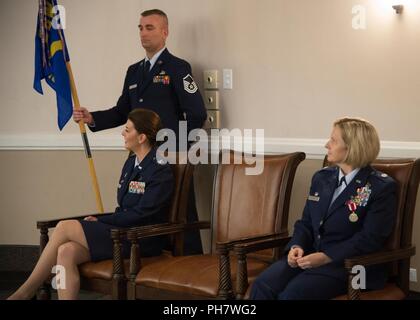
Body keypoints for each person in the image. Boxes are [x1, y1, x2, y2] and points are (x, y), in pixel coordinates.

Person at [73, 8, 207, 255]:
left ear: (165, 32)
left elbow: (197, 114)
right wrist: (93, 118)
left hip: (170, 156)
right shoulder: (134, 71)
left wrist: (171, 147)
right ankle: (146, 260)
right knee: (141, 210)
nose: (144, 33)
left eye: (150, 27)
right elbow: (123, 110)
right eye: (141, 28)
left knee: (181, 213)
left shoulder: (178, 68)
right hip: (141, 155)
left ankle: (190, 266)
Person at [8, 109, 174, 300]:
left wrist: (103, 221)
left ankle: (24, 292)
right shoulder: (131, 163)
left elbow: (141, 214)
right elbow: (124, 208)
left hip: (140, 238)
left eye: (127, 130)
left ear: (142, 137)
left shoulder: (159, 169)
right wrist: (103, 220)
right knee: (66, 251)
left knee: (64, 227)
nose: (122, 133)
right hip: (122, 232)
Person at [250, 117, 397, 300]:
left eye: (333, 140)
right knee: (262, 285)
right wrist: (297, 246)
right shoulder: (322, 178)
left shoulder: (379, 186)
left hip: (352, 266)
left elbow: (370, 239)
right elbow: (305, 223)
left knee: (292, 295)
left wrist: (327, 257)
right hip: (311, 257)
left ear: (352, 147)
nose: (327, 144)